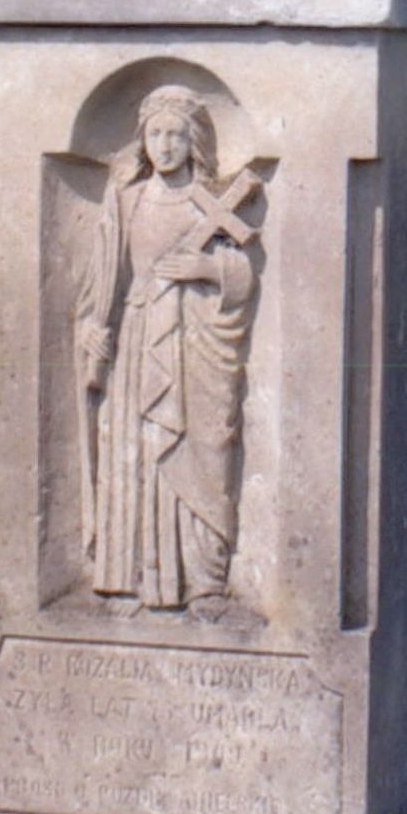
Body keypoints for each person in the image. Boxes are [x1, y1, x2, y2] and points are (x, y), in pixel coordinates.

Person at [77, 87, 259, 609]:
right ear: (143, 140)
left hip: (191, 342)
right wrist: (92, 324)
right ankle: (130, 573)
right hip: (137, 340)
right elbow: (102, 277)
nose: (166, 144)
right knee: (134, 451)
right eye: (155, 133)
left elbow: (242, 273)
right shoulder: (128, 199)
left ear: (193, 140)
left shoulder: (211, 200)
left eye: (176, 133)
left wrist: (206, 269)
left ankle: (201, 578)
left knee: (197, 447)